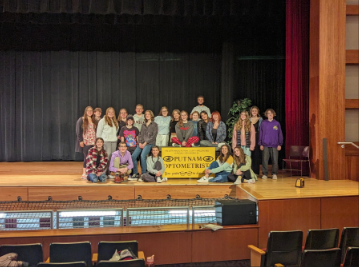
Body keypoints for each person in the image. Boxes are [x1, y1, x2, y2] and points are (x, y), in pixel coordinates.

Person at [129, 110, 158, 180]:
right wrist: (139, 143)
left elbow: (153, 136)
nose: (147, 115)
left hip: (149, 143)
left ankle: (144, 174)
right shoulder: (143, 124)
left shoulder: (154, 125)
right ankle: (135, 173)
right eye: (146, 114)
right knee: (133, 156)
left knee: (142, 156)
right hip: (141, 143)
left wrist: (145, 143)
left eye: (148, 114)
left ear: (151, 115)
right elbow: (140, 134)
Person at [259, 108, 284, 180]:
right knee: (264, 160)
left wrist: (279, 144)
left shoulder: (277, 123)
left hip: (275, 145)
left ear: (273, 114)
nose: (270, 115)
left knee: (275, 160)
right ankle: (265, 174)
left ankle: (274, 173)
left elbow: (280, 134)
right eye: (268, 113)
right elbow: (261, 133)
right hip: (265, 144)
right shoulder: (263, 123)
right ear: (266, 115)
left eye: (271, 113)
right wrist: (260, 143)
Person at [96, 107, 119, 178]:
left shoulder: (115, 121)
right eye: (109, 112)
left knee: (112, 157)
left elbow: (116, 130)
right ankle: (104, 172)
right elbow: (98, 132)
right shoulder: (102, 121)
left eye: (112, 112)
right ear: (107, 113)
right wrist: (99, 142)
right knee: (106, 157)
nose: (111, 113)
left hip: (114, 141)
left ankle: (109, 173)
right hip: (106, 141)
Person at [75, 106, 97, 179]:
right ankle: (84, 173)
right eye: (88, 110)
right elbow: (78, 131)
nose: (90, 112)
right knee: (86, 157)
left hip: (93, 142)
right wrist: (80, 140)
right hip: (86, 142)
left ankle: (91, 172)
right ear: (85, 111)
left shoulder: (94, 120)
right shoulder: (81, 119)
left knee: (93, 157)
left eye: (91, 110)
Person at [249, 106, 263, 175]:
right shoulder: (248, 119)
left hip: (257, 137)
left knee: (256, 155)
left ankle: (256, 172)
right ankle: (249, 171)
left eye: (255, 111)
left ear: (257, 112)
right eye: (253, 111)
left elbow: (261, 130)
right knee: (249, 155)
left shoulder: (260, 119)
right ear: (251, 112)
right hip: (249, 137)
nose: (254, 112)